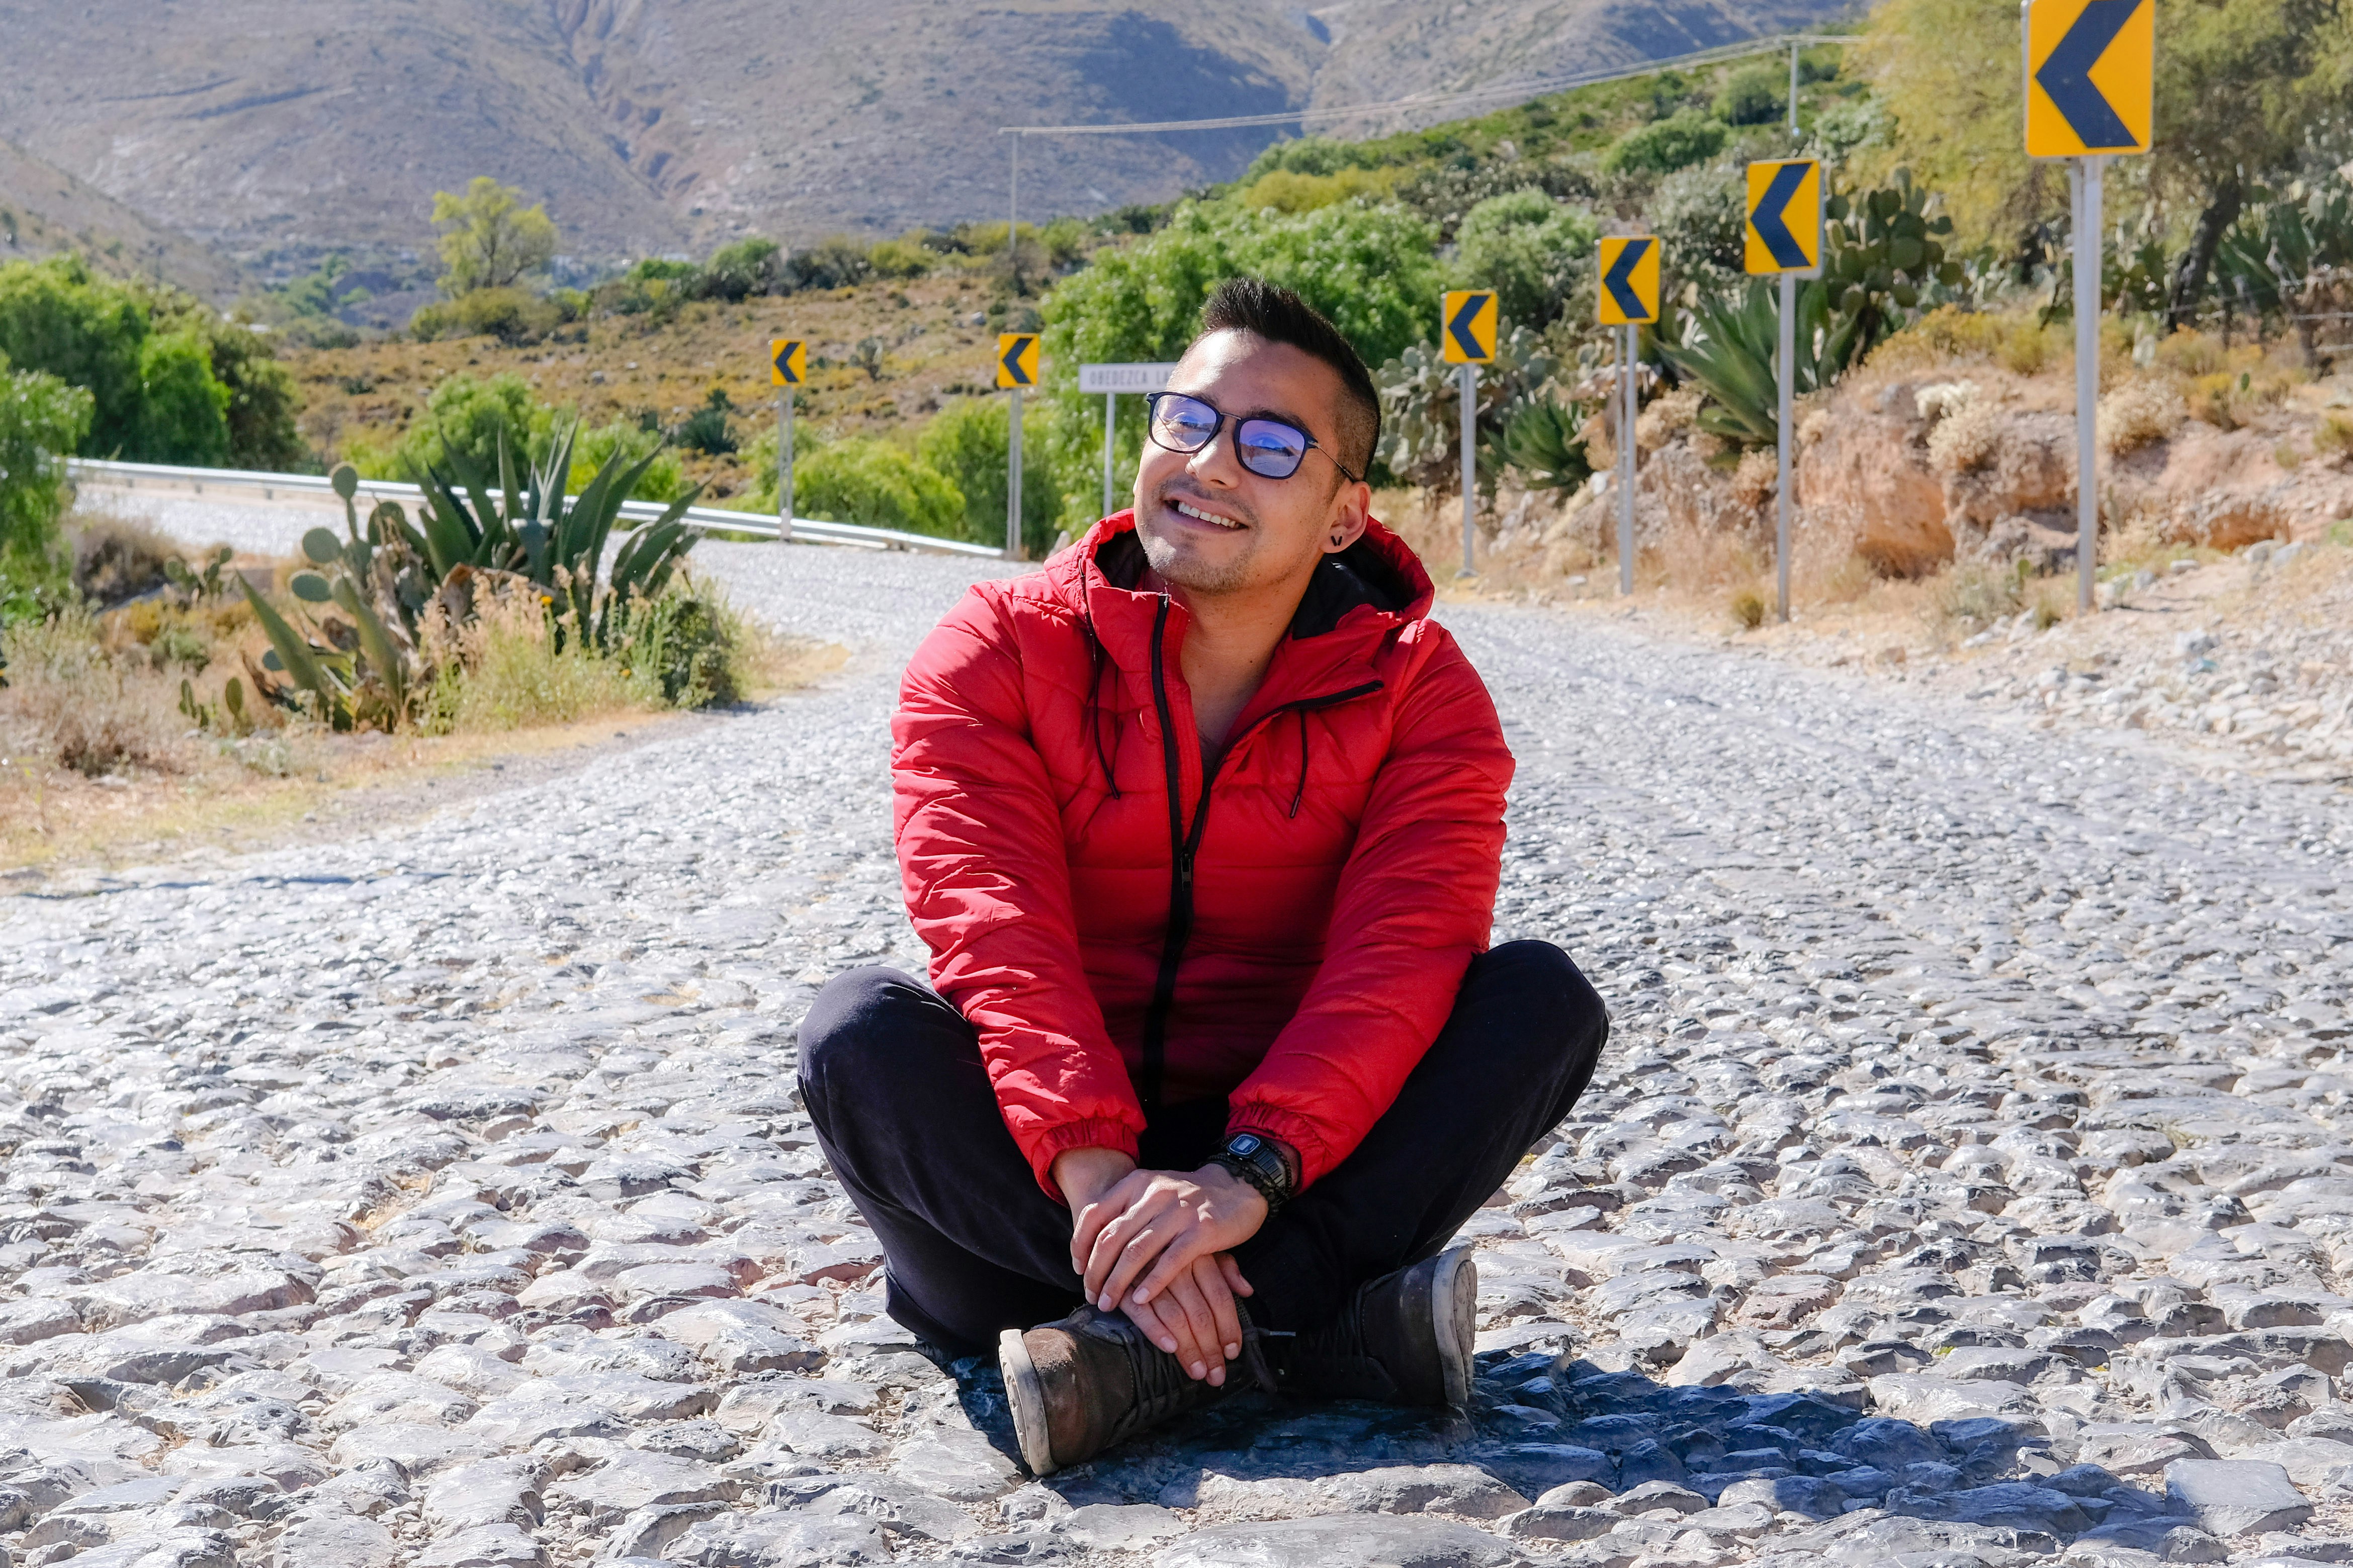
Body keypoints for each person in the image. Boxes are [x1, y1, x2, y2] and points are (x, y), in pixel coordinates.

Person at [799, 277, 1608, 1476]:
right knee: (856, 1035)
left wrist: (1249, 1176)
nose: (1212, 463)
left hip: (1285, 1170)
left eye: (1273, 447)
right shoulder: (996, 647)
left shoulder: (1421, 694)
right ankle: (1304, 1327)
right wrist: (1099, 1184)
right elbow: (996, 932)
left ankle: (1129, 1356)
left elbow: (1401, 956)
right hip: (1038, 1194)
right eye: (1189, 421)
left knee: (1539, 1001)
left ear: (1344, 517)